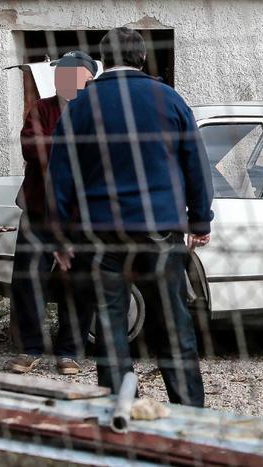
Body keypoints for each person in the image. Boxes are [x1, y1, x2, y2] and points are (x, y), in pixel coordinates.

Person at [48, 27, 214, 403]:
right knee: (173, 326)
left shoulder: (79, 107)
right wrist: (200, 219)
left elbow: (59, 176)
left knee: (110, 329)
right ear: (142, 59)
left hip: (102, 237)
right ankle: (190, 414)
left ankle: (121, 412)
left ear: (104, 61)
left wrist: (60, 239)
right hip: (160, 232)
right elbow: (195, 164)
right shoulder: (170, 100)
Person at [6, 51, 98, 376]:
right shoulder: (41, 109)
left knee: (79, 282)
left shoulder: (96, 113)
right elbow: (31, 147)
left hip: (79, 215)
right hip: (38, 211)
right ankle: (29, 348)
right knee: (28, 280)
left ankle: (70, 350)